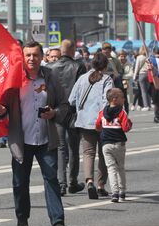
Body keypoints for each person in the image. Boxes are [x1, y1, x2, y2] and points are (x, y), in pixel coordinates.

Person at [0, 40, 70, 226]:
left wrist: (54, 113)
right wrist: (1, 112)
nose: (31, 59)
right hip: (22, 139)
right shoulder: (14, 78)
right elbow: (3, 109)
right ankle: (22, 218)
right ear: (22, 57)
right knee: (20, 181)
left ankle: (57, 222)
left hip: (46, 139)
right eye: (28, 55)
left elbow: (65, 105)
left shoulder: (50, 76)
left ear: (41, 56)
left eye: (35, 55)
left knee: (51, 179)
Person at [69, 52, 112, 200]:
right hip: (102, 121)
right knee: (103, 153)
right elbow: (107, 101)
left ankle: (89, 182)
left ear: (92, 64)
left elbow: (71, 100)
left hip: (84, 122)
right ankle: (101, 186)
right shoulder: (107, 79)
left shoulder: (82, 78)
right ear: (105, 66)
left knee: (88, 153)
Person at [47, 39, 87, 196]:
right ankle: (72, 182)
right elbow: (82, 91)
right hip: (73, 112)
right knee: (73, 148)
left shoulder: (49, 67)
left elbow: (46, 90)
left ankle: (61, 184)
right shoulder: (79, 66)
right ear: (72, 51)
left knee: (60, 148)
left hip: (56, 111)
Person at [95, 88, 132, 203]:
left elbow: (97, 126)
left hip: (105, 144)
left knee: (111, 169)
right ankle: (122, 191)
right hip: (119, 144)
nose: (124, 99)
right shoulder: (122, 112)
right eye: (122, 97)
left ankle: (114, 193)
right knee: (120, 167)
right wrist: (130, 123)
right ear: (115, 99)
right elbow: (126, 128)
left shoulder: (102, 112)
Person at [133, 46, 151, 111]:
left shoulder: (139, 57)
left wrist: (134, 76)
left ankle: (146, 106)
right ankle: (148, 104)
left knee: (143, 91)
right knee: (147, 91)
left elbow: (137, 67)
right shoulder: (148, 57)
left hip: (142, 74)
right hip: (149, 74)